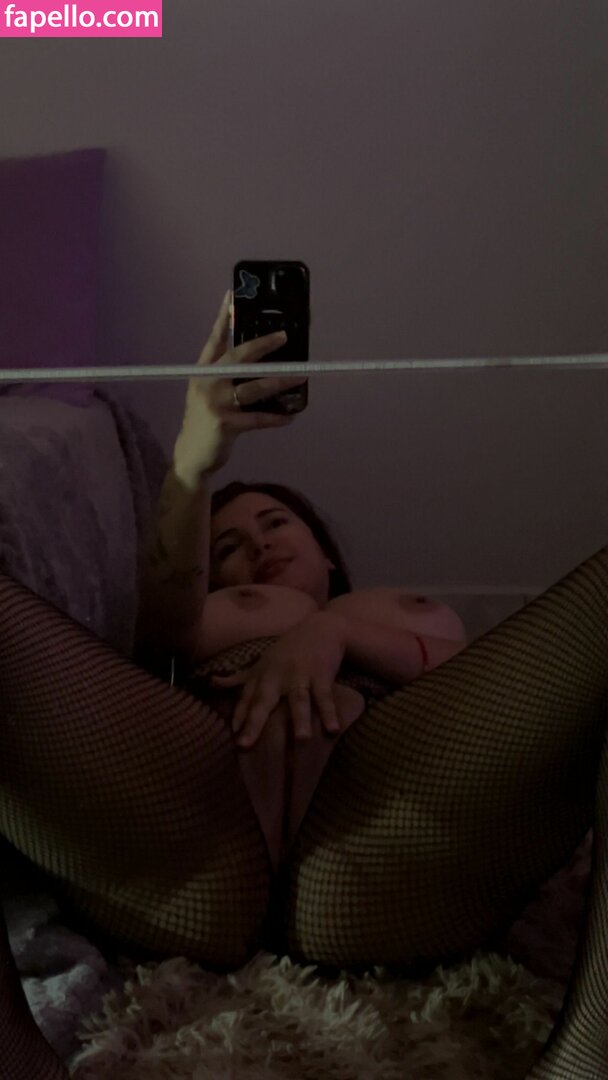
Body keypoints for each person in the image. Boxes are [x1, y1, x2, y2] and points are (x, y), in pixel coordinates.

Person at [135, 292, 468, 870]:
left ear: (326, 554)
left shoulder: (370, 608)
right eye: (228, 549)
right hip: (228, 839)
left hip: (405, 817)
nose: (259, 545)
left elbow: (496, 681)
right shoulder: (198, 617)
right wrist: (191, 466)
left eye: (275, 523)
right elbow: (166, 631)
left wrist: (334, 632)